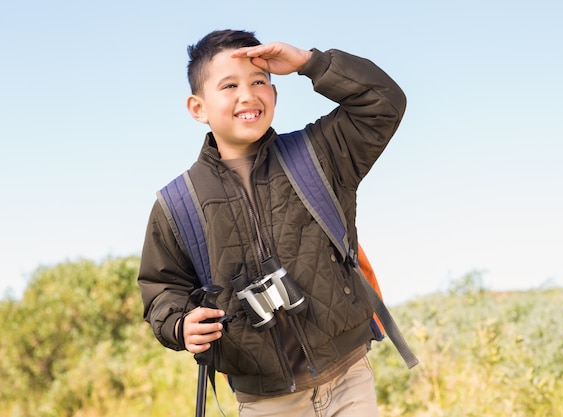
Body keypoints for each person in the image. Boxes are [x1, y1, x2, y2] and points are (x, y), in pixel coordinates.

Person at [138, 29, 406, 416]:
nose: (248, 95)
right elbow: (161, 288)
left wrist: (309, 62)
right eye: (229, 85)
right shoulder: (177, 203)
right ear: (198, 108)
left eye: (259, 81)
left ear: (275, 95)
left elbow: (384, 102)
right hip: (265, 401)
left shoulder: (320, 154)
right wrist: (181, 325)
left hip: (349, 377)